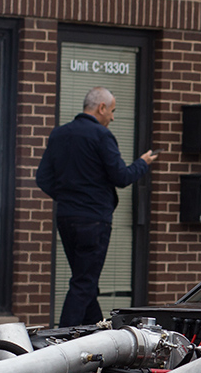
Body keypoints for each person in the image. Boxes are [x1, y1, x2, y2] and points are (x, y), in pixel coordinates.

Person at [36, 86, 157, 326]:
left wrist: (67, 198)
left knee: (85, 280)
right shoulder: (101, 136)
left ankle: (99, 332)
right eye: (112, 111)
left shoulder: (59, 134)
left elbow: (42, 178)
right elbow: (121, 177)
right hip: (94, 220)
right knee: (83, 283)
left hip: (66, 218)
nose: (112, 117)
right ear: (101, 108)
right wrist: (142, 164)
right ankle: (61, 341)